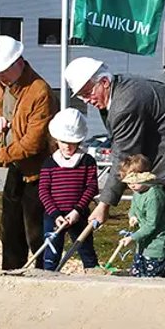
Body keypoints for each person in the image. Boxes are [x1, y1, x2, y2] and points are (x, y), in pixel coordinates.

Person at [68, 56, 165, 281]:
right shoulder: (118, 93)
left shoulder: (126, 102)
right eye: (82, 96)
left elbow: (125, 155)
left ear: (104, 82)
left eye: (88, 93)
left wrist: (104, 205)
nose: (87, 100)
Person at [0, 35, 52, 272]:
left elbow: (32, 143)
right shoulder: (4, 82)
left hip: (38, 173)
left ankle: (44, 273)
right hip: (16, 167)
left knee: (35, 231)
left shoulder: (39, 91)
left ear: (18, 63)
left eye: (1, 71)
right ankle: (11, 273)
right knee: (9, 229)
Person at [39, 107, 100, 270]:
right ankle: (48, 282)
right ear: (56, 139)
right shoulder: (49, 163)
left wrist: (77, 211)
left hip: (78, 215)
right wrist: (55, 214)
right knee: (51, 254)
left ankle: (93, 278)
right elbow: (43, 191)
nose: (68, 146)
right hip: (54, 217)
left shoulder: (87, 161)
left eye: (72, 142)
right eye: (64, 141)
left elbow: (92, 187)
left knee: (87, 252)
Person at [117, 154, 165, 278]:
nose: (132, 185)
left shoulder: (154, 195)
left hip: (158, 245)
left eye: (135, 181)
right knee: (137, 273)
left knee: (152, 277)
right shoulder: (137, 191)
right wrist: (132, 216)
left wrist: (132, 237)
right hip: (143, 243)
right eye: (128, 182)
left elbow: (151, 224)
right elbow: (134, 207)